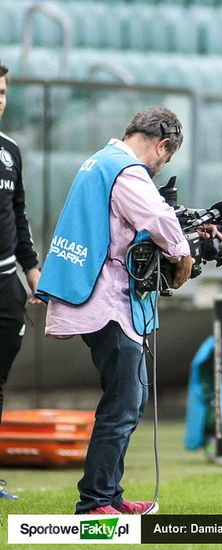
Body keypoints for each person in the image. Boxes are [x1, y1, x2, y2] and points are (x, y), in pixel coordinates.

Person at [36, 107, 195, 514]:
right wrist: (184, 254)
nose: (160, 168)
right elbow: (157, 216)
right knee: (124, 402)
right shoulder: (127, 170)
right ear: (161, 145)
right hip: (105, 300)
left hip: (93, 295)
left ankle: (108, 494)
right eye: (166, 158)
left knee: (128, 398)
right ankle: (94, 502)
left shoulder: (99, 161)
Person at [0, 62, 41, 500]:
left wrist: (34, 274)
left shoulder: (11, 150)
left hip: (6, 284)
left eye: (4, 91)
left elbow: (18, 215)